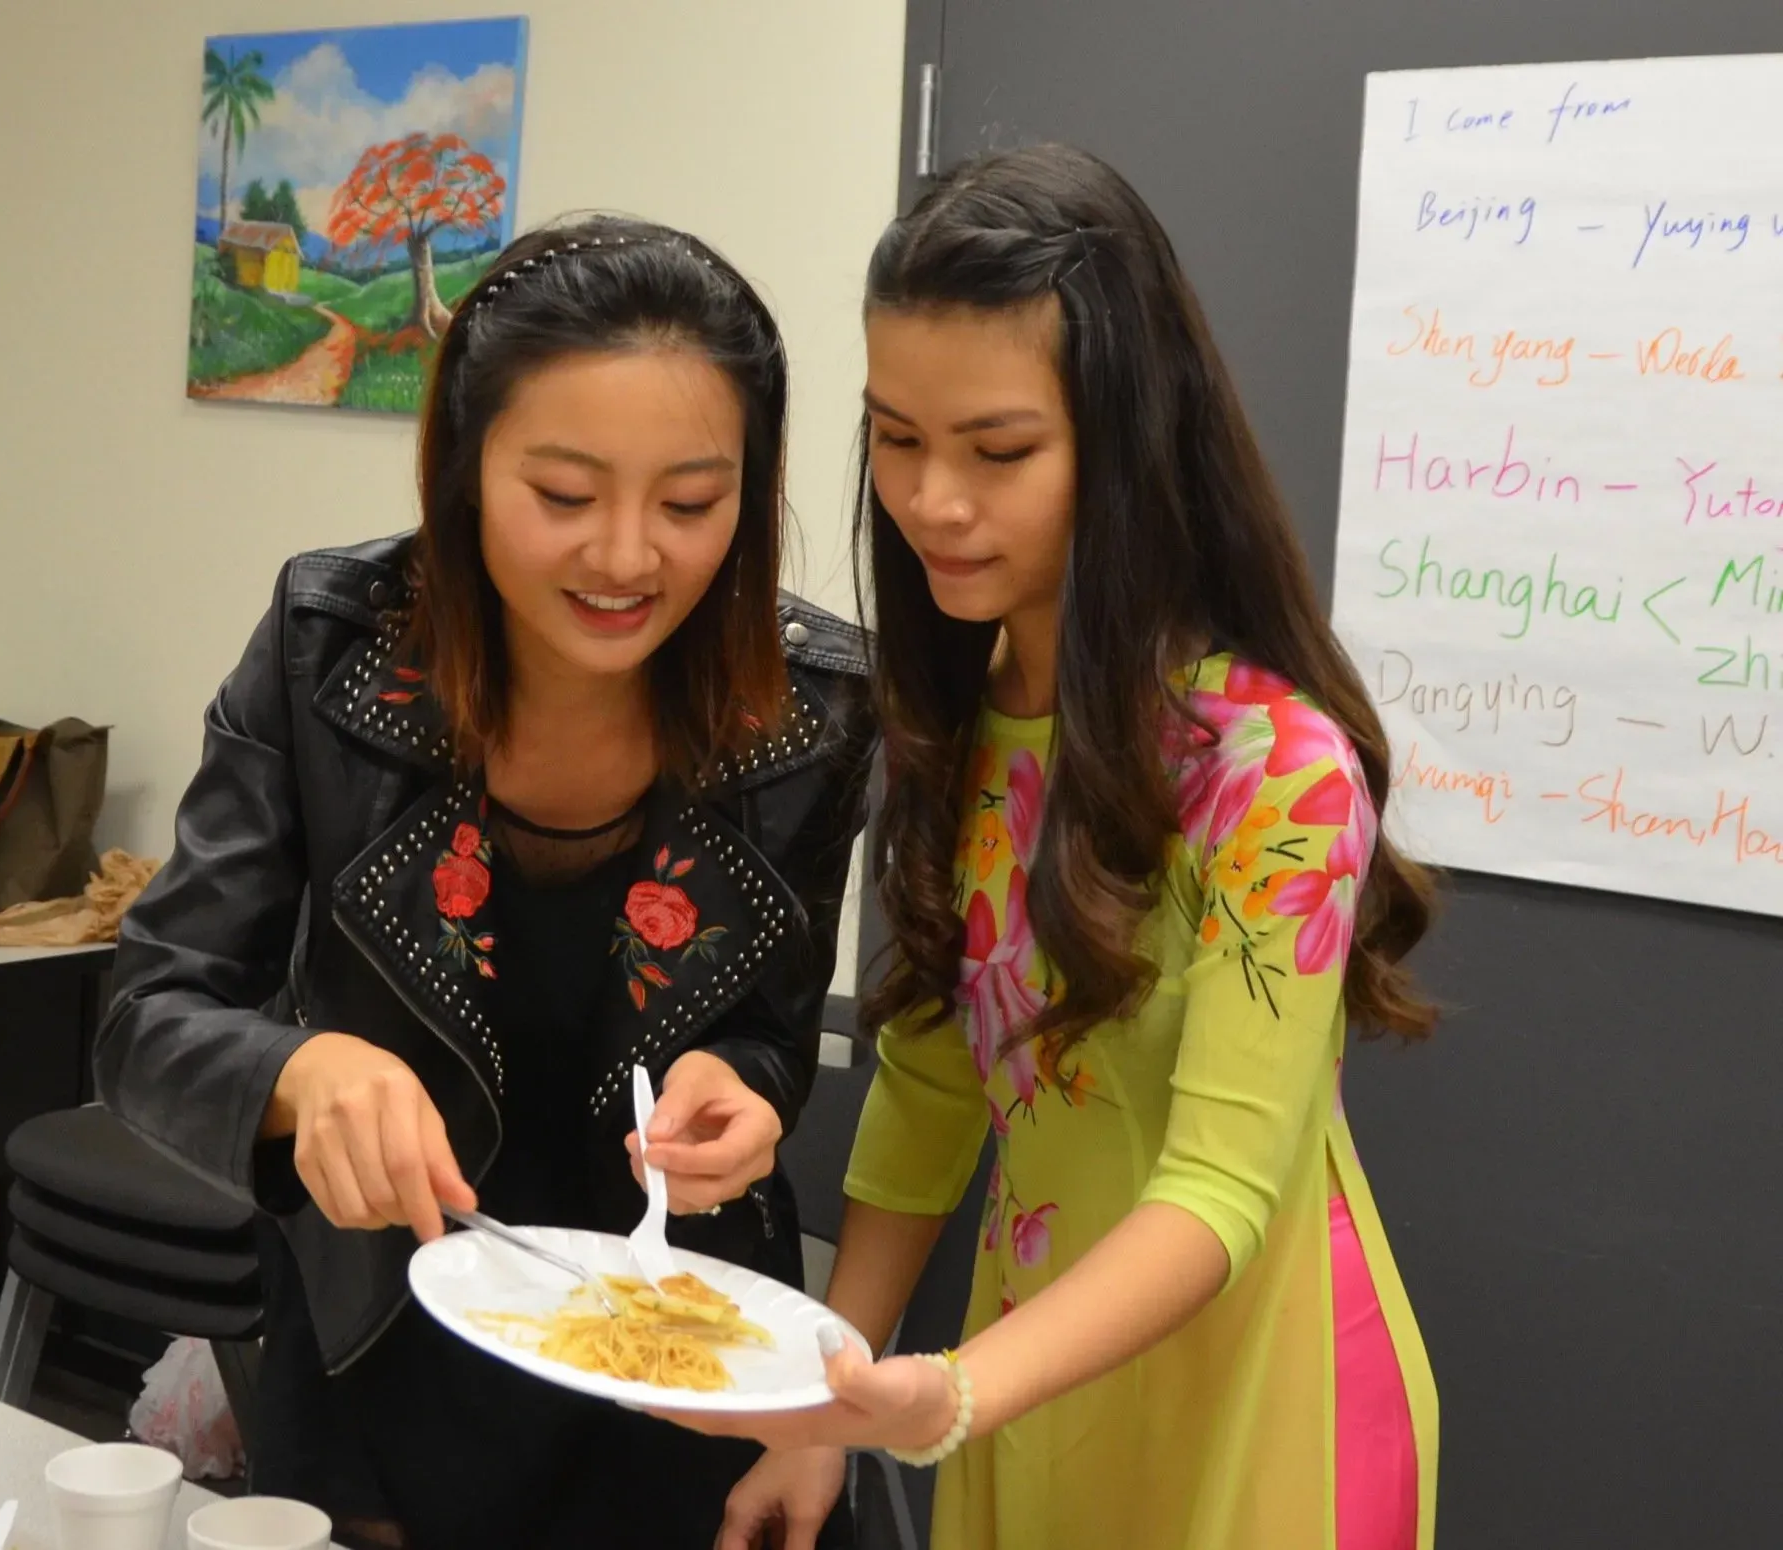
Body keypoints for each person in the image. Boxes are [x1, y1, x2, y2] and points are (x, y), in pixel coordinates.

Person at [669, 146, 1441, 1550]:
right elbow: (930, 1088)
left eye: (1000, 451)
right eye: (897, 439)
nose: (932, 500)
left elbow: (1219, 1189)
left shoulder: (1274, 772)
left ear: (1127, 442)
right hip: (1029, 1386)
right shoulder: (961, 723)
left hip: (1255, 1405)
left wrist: (953, 1391)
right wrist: (821, 1410)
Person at [94, 215, 874, 1550]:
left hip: (681, 1358)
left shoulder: (805, 710)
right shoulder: (328, 652)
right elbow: (146, 1016)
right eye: (563, 495)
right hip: (381, 1344)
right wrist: (303, 1071)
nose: (626, 556)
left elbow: (771, 1033)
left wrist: (744, 1091)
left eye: (691, 504)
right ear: (462, 466)